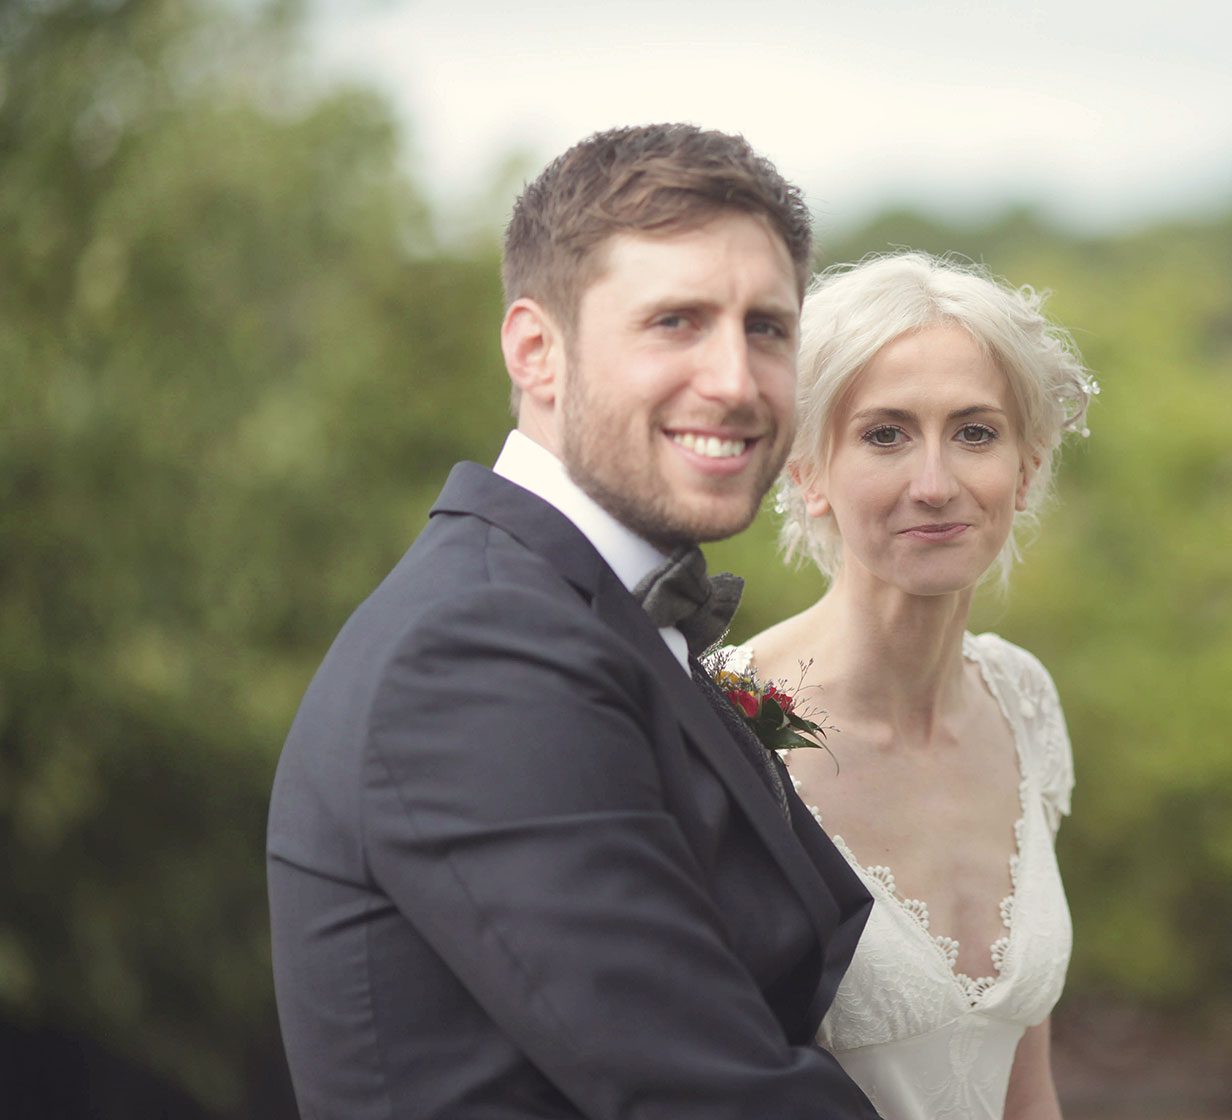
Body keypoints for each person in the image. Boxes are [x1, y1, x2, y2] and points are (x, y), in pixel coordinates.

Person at [266, 124, 881, 1119]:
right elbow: (707, 1096)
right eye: (676, 321)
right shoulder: (473, 656)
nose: (734, 380)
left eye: (767, 327)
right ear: (536, 351)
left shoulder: (569, 612)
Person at [721, 252, 1095, 1120]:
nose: (936, 484)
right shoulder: (731, 720)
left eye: (975, 432)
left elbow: (1024, 1089)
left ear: (1028, 467)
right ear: (807, 471)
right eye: (885, 434)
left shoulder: (1022, 699)